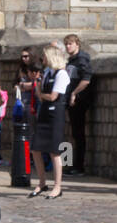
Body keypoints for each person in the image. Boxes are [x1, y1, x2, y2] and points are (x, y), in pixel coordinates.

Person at [30, 42, 70, 199]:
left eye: (44, 56)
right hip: (45, 113)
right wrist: (39, 90)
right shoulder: (47, 73)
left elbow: (53, 96)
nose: (42, 59)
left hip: (55, 115)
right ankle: (42, 182)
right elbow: (40, 92)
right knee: (36, 149)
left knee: (55, 152)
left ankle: (58, 186)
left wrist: (41, 95)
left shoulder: (62, 74)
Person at [64, 34, 94, 175]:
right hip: (70, 102)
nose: (68, 46)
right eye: (66, 44)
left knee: (78, 134)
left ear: (77, 44)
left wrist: (74, 93)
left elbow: (86, 80)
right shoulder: (71, 60)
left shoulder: (82, 59)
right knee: (73, 134)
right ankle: (70, 164)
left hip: (78, 101)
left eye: (70, 44)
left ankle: (78, 167)